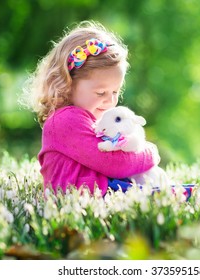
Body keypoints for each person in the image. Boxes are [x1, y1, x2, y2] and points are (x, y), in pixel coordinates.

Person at [23, 21, 160, 196]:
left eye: (115, 91)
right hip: (89, 197)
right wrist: (150, 152)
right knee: (188, 196)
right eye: (101, 92)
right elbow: (115, 164)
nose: (110, 101)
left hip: (103, 192)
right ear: (68, 84)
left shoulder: (89, 119)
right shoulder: (66, 120)